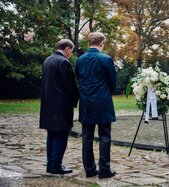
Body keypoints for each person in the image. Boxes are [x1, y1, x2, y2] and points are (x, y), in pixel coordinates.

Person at [75, 32, 116, 179]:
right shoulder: (106, 59)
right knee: (104, 136)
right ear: (102, 43)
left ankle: (89, 170)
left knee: (87, 137)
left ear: (89, 43)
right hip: (103, 102)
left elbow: (79, 78)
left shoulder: (79, 60)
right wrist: (105, 93)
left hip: (86, 103)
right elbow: (112, 82)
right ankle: (104, 170)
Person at [40, 39, 79, 174]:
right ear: (67, 49)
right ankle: (56, 165)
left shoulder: (48, 60)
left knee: (51, 135)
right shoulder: (63, 62)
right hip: (61, 106)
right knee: (61, 136)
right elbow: (70, 85)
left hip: (48, 105)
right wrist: (76, 99)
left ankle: (50, 164)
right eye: (71, 52)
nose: (70, 55)